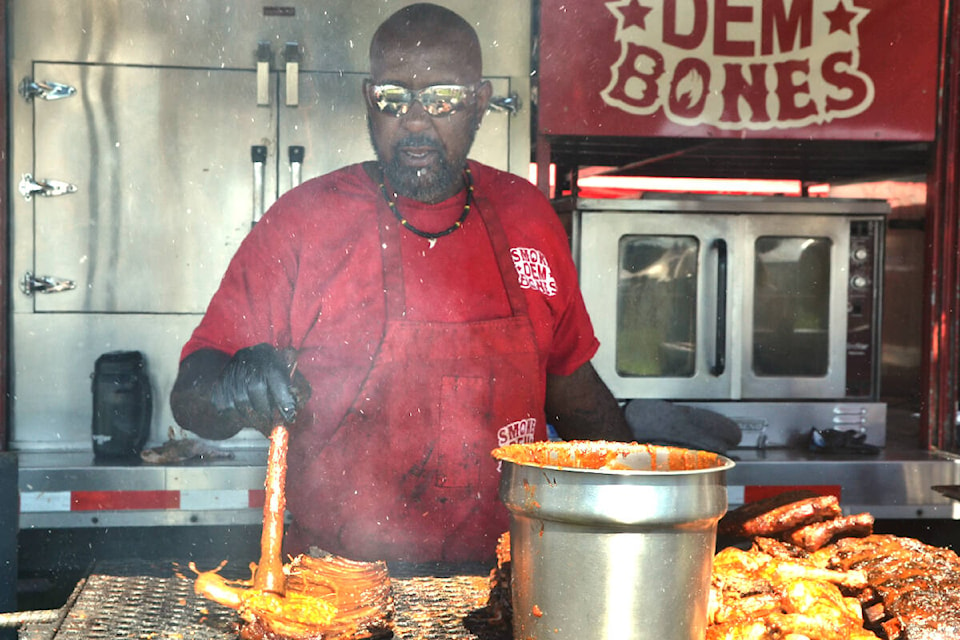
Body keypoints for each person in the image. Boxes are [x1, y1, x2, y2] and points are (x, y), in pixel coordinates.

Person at [170, 2, 632, 563]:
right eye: (394, 97)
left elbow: (565, 381)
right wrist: (232, 385)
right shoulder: (302, 223)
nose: (415, 120)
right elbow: (191, 394)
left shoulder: (527, 215)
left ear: (480, 103)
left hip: (511, 581)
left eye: (441, 99)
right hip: (334, 587)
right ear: (370, 101)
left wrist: (639, 488)